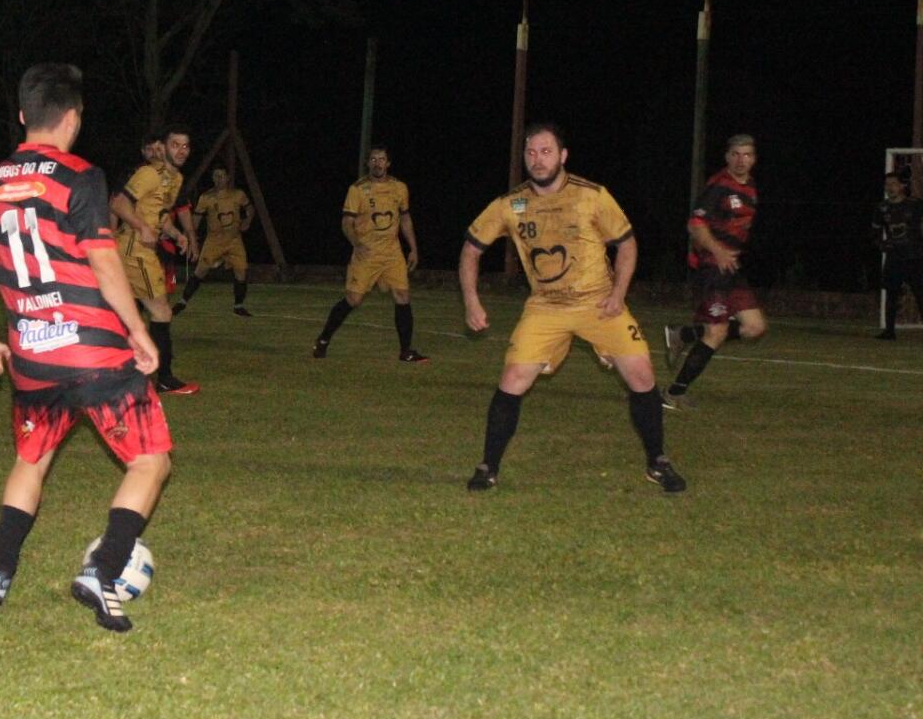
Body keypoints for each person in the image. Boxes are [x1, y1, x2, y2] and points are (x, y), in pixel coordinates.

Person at [0, 63, 173, 633]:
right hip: (95, 351)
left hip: (32, 355)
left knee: (31, 460)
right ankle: (104, 570)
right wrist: (137, 328)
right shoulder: (80, 177)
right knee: (150, 461)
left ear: (24, 115)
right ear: (73, 118)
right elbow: (102, 257)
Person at [459, 122, 686, 493]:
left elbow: (627, 244)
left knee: (641, 374)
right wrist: (471, 300)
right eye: (531, 152)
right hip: (545, 307)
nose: (538, 159)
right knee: (513, 379)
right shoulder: (510, 204)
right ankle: (488, 467)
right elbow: (471, 250)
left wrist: (618, 295)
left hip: (598, 302)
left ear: (563, 156)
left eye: (546, 151)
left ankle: (657, 462)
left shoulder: (592, 195)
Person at [661, 134, 767, 409]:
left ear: (754, 159)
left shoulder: (751, 188)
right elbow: (695, 224)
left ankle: (684, 335)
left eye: (747, 155)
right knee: (716, 332)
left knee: (754, 327)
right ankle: (673, 393)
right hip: (712, 266)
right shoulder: (719, 186)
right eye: (736, 154)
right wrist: (717, 250)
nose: (741, 160)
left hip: (731, 267)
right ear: (727, 157)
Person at [311, 146, 429, 362]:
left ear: (388, 163)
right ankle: (323, 339)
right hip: (367, 253)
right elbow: (347, 222)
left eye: (381, 159)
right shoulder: (357, 190)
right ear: (368, 163)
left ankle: (406, 351)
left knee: (402, 296)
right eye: (373, 159)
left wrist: (413, 248)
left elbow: (405, 218)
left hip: (392, 252)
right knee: (354, 299)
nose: (377, 163)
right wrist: (357, 243)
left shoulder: (399, 188)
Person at [112, 126, 200, 395]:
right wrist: (141, 227)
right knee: (161, 311)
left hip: (142, 250)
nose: (181, 151)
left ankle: (116, 371)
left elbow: (160, 215)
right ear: (163, 147)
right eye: (175, 145)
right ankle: (164, 377)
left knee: (124, 314)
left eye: (185, 146)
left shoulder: (175, 179)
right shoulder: (149, 174)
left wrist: (176, 234)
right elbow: (118, 203)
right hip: (134, 249)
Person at [173, 165, 255, 317]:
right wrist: (187, 236)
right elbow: (195, 220)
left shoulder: (238, 194)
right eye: (216, 176)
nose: (218, 179)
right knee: (200, 271)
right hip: (214, 240)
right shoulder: (206, 198)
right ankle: (182, 302)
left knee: (241, 271)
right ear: (212, 178)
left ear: (228, 177)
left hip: (234, 240)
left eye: (221, 176)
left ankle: (238, 306)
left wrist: (247, 220)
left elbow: (250, 209)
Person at [871, 171, 923, 340]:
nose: (889, 188)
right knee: (891, 294)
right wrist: (882, 245)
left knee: (920, 293)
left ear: (902, 186)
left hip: (915, 257)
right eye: (887, 185)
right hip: (894, 258)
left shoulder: (915, 205)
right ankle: (889, 331)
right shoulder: (882, 208)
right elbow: (875, 232)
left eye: (893, 184)